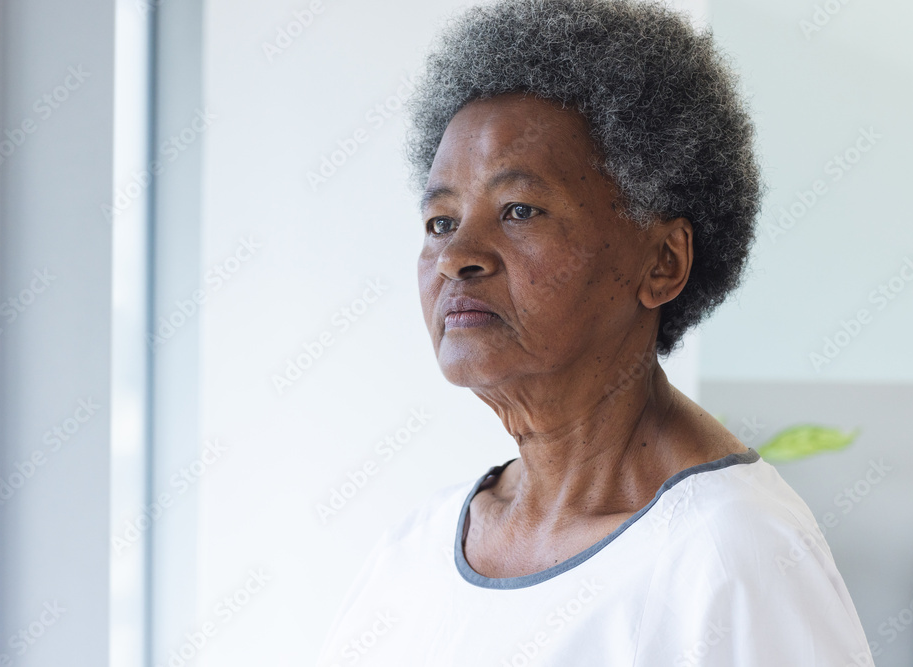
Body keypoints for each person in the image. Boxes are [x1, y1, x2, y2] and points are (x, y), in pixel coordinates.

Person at [315, 1, 875, 664]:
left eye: (519, 210)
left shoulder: (730, 554)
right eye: (440, 220)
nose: (458, 254)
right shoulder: (413, 553)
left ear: (662, 262)